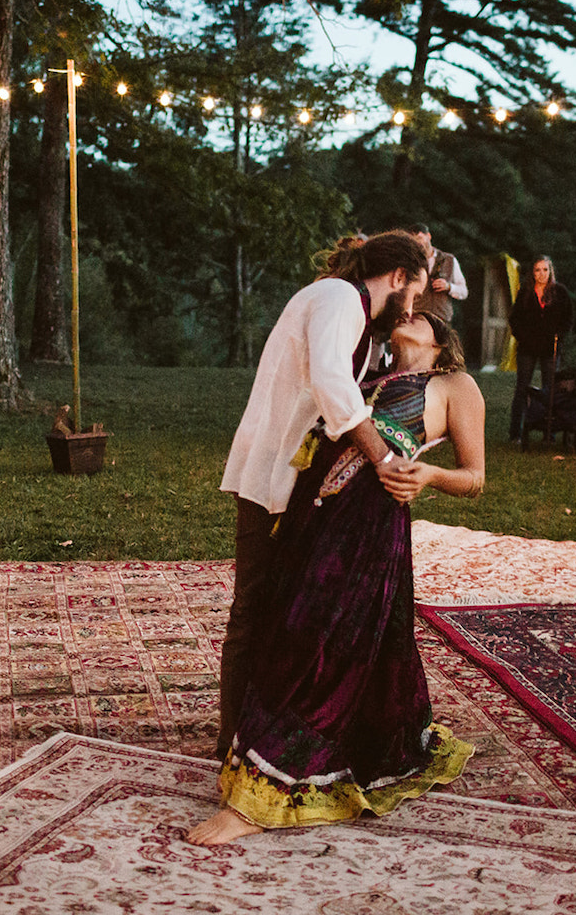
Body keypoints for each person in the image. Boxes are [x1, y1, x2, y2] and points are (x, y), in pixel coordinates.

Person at [190, 310, 482, 846]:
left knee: (322, 638)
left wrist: (431, 475)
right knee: (288, 626)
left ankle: (267, 794)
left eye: (425, 314)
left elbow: (476, 477)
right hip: (313, 510)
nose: (410, 311)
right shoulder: (366, 370)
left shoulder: (454, 385)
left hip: (369, 524)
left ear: (442, 344)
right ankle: (284, 749)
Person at [217, 230, 431, 763]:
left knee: (284, 611)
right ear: (398, 277)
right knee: (254, 610)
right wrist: (384, 460)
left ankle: (274, 732)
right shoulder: (339, 298)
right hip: (271, 479)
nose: (413, 310)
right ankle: (231, 743)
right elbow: (333, 386)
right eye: (415, 294)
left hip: (298, 484)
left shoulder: (352, 309)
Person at [507, 256, 574, 443]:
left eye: (545, 270)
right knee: (522, 388)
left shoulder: (559, 292)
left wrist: (558, 336)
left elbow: (568, 319)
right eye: (538, 270)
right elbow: (515, 319)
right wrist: (522, 336)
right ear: (533, 272)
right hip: (528, 347)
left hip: (550, 347)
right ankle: (516, 432)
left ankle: (549, 431)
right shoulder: (526, 292)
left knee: (550, 389)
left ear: (550, 271)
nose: (541, 274)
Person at [406, 223, 468, 323]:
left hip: (442, 320)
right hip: (417, 319)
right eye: (414, 240)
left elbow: (464, 292)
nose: (418, 243)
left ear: (429, 236)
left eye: (420, 238)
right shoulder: (411, 263)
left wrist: (449, 287)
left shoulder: (449, 260)